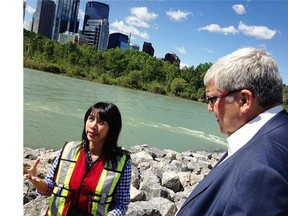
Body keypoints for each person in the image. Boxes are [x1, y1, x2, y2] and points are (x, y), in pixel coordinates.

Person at [176, 47, 288, 215]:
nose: (209, 108)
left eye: (212, 99)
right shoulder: (272, 137)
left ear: (244, 100)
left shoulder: (261, 172)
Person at [24, 102, 132, 216]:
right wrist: (36, 181)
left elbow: (121, 204)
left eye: (101, 122)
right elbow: (50, 188)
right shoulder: (68, 150)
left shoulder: (121, 162)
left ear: (112, 128)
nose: (93, 126)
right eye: (91, 119)